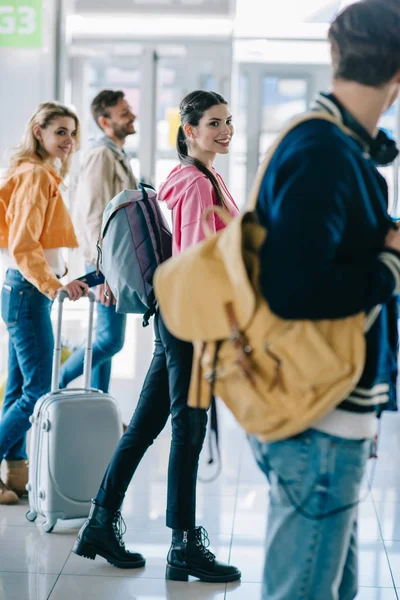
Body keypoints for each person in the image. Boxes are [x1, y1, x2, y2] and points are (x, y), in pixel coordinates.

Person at [248, 1, 400, 598]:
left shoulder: (337, 145)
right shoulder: (324, 152)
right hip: (319, 414)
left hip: (331, 408)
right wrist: (390, 263)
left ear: (336, 56)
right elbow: (295, 288)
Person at [72, 91, 241, 584]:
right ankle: (184, 546)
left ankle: (100, 524)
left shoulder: (205, 175)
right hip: (190, 315)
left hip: (180, 315)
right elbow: (192, 260)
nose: (225, 131)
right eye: (214, 123)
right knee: (188, 427)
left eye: (228, 122)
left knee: (147, 424)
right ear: (189, 130)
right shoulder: (193, 182)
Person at [0, 102, 89, 505]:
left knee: (18, 386)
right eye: (61, 132)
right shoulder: (36, 175)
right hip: (28, 291)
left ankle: (15, 475)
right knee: (36, 390)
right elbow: (23, 243)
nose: (69, 141)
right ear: (39, 131)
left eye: (72, 133)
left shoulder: (37, 173)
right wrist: (54, 285)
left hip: (21, 290)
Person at [59, 90, 137, 393]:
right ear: (104, 121)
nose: (132, 116)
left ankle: (98, 406)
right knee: (110, 341)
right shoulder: (101, 155)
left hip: (116, 262)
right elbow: (92, 217)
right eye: (123, 112)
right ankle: (53, 386)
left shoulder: (116, 153)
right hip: (107, 264)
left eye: (129, 109)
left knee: (105, 342)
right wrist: (103, 271)